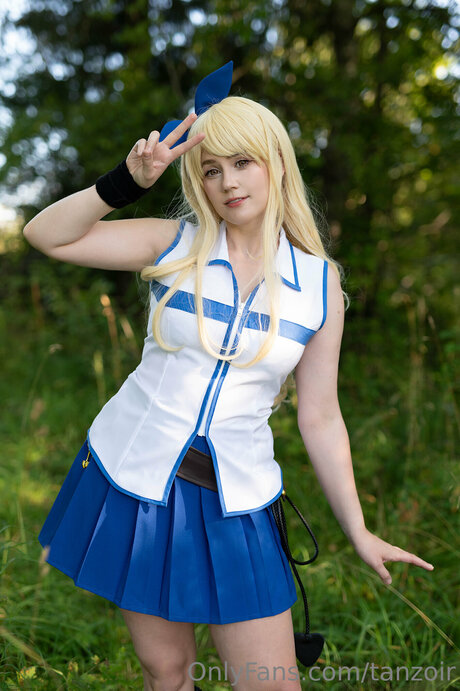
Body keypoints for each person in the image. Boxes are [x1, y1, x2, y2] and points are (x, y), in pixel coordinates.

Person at [23, 63, 434, 691]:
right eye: (210, 170)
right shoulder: (174, 244)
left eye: (242, 162)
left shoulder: (320, 285)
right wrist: (125, 183)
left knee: (271, 682)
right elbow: (45, 235)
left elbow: (320, 415)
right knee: (167, 673)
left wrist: (358, 529)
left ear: (276, 163)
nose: (228, 182)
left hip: (237, 499)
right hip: (135, 478)